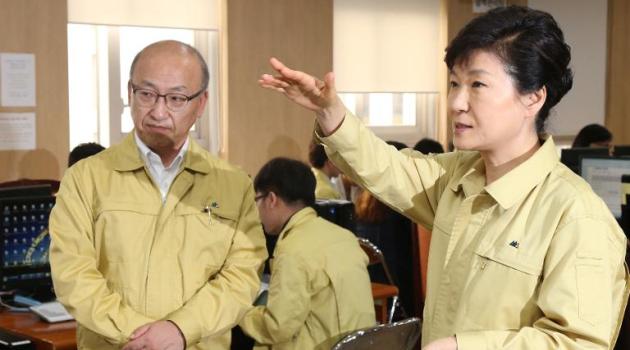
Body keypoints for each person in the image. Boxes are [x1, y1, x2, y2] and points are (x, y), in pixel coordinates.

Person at [258, 5, 629, 350]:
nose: (456, 103)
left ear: (533, 97)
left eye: (477, 85)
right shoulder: (458, 177)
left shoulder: (576, 215)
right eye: (454, 83)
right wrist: (330, 113)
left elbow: (579, 343)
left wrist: (464, 346)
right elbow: (387, 168)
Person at [49, 40, 267, 350]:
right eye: (147, 94)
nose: (159, 111)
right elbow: (73, 275)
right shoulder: (85, 179)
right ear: (129, 93)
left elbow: (242, 275)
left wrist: (180, 330)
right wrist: (143, 337)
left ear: (202, 103)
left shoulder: (233, 184)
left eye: (176, 98)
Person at [239, 157, 375, 349]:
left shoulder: (292, 249)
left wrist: (240, 313)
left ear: (271, 199)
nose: (256, 211)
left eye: (256, 201)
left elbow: (277, 327)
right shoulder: (345, 237)